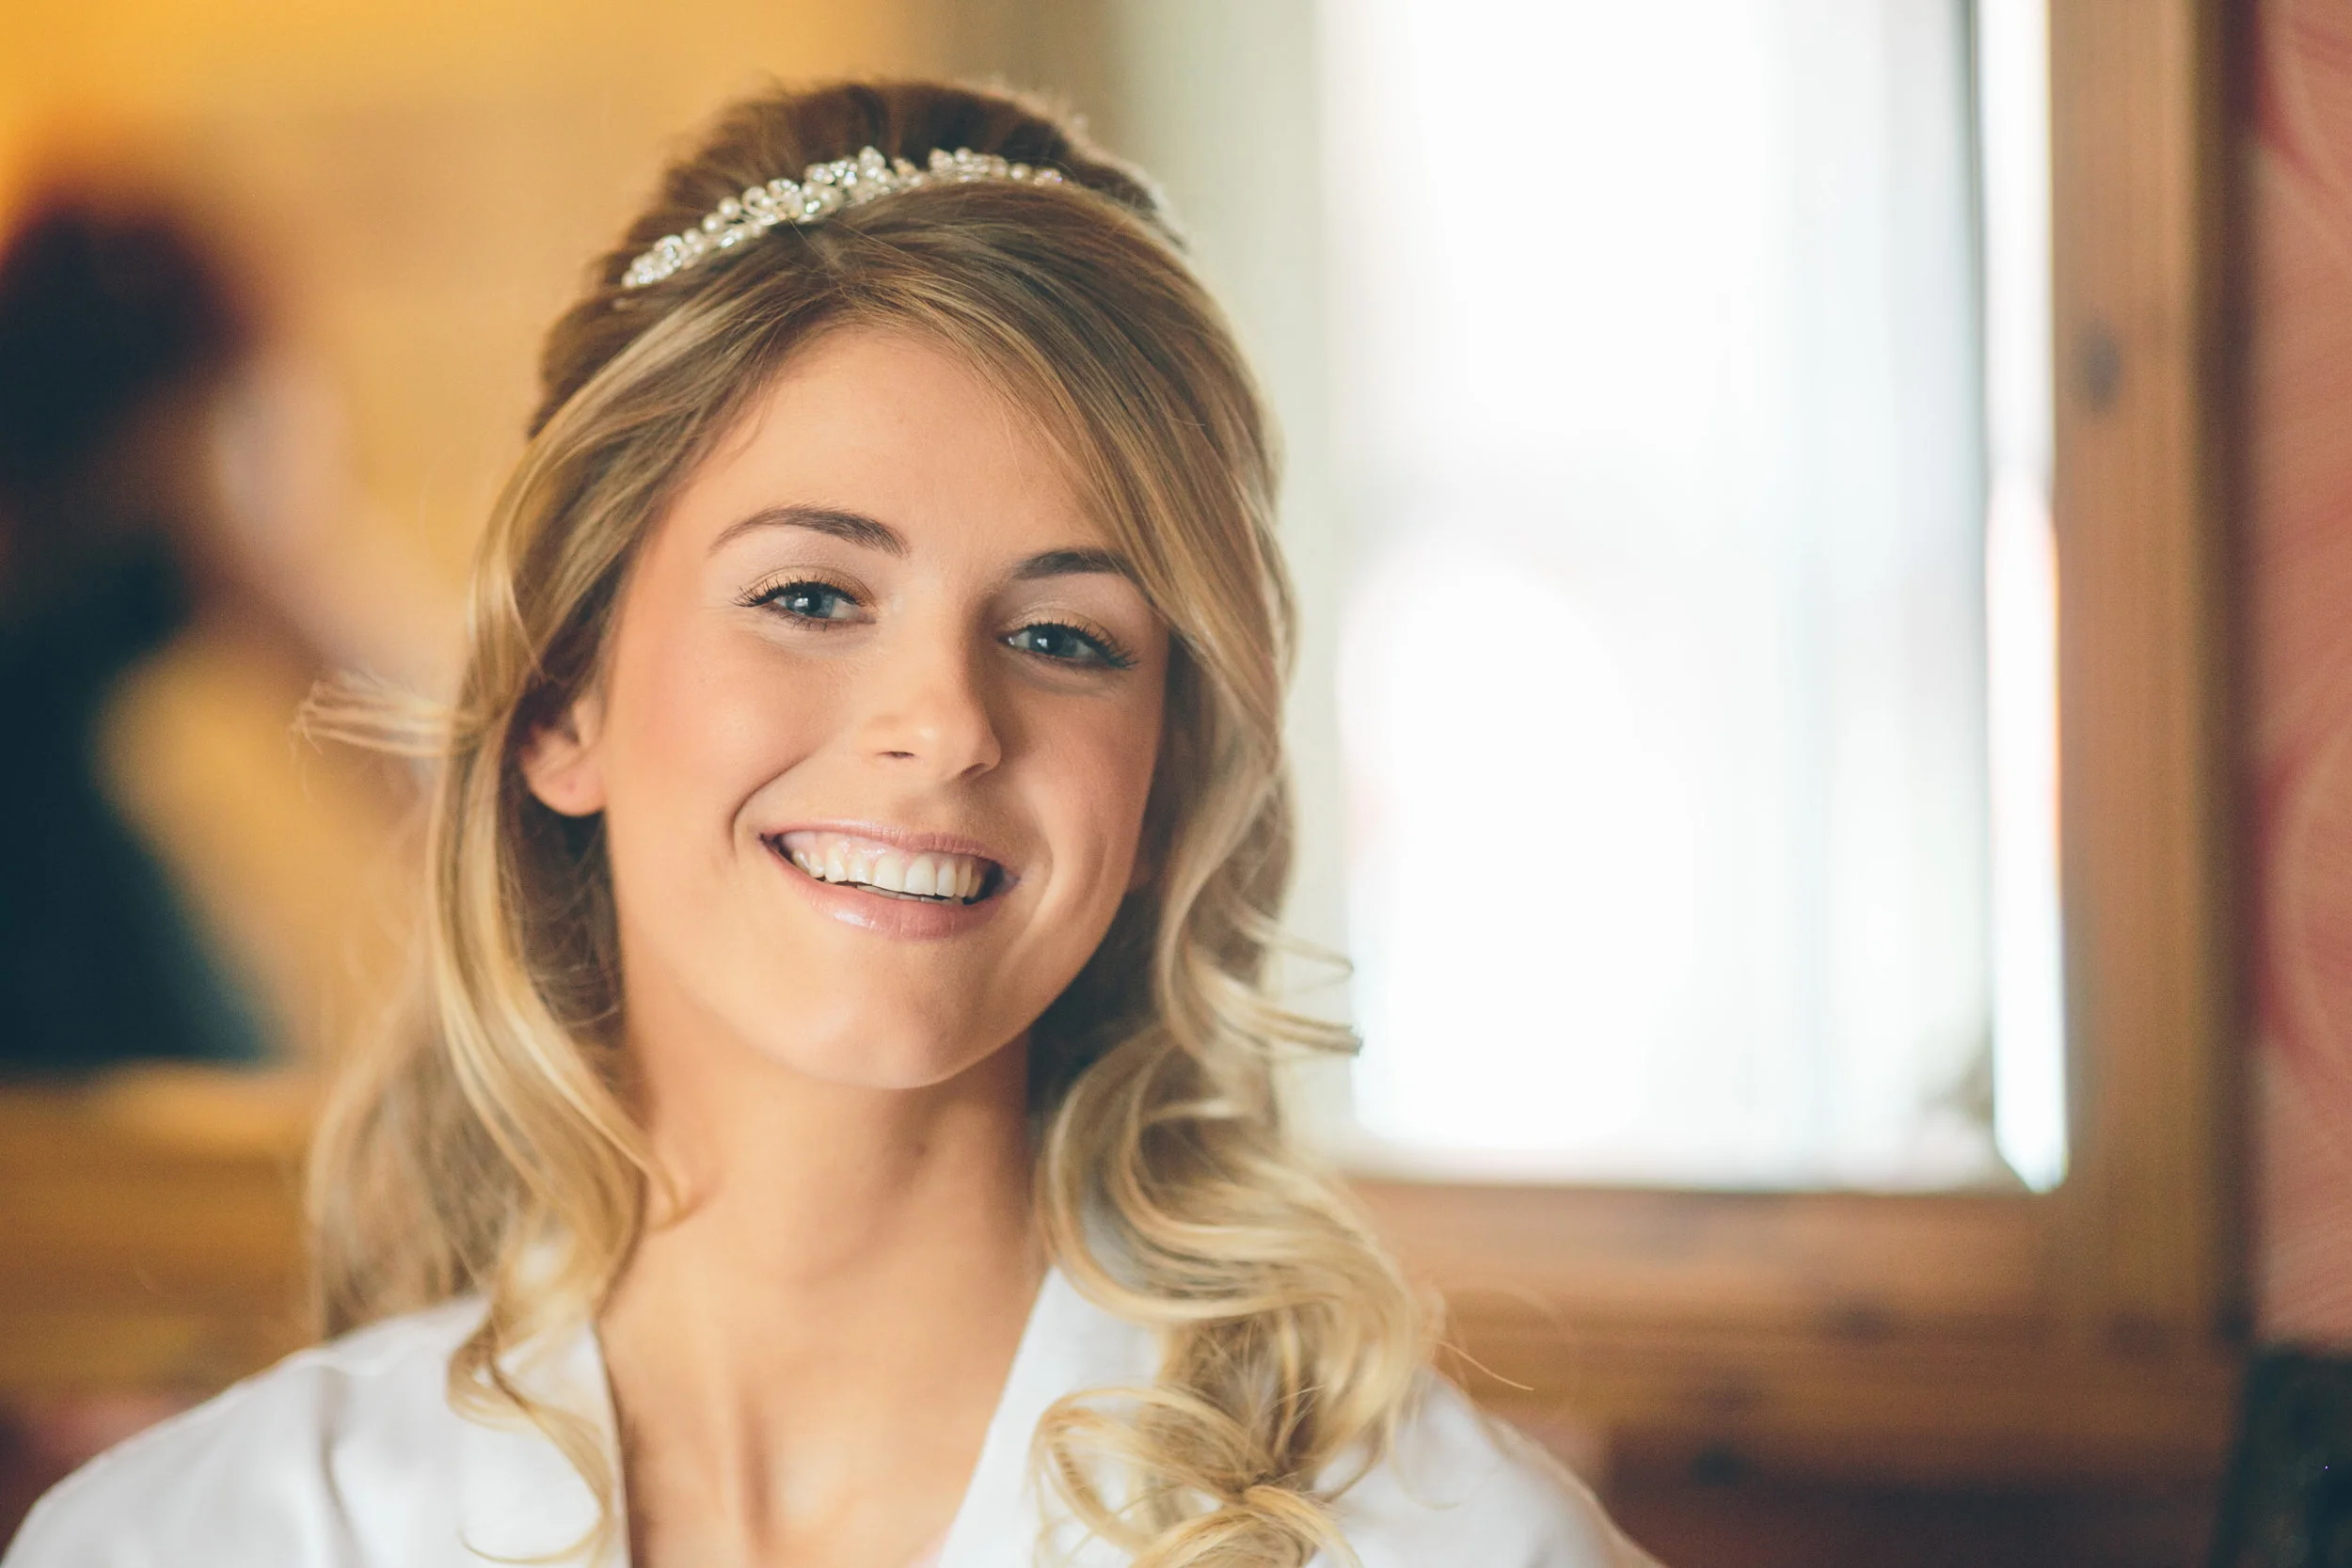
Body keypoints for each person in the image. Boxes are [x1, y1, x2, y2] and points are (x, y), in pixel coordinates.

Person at [3, 81, 1662, 1567]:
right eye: (810, 592)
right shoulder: (198, 1537)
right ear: (563, 699)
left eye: (1069, 635)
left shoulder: (1444, 1545)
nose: (942, 721)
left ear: (1162, 788)